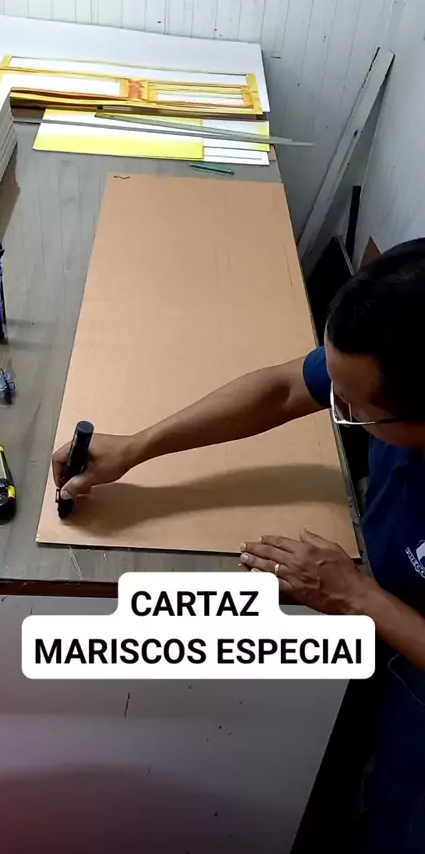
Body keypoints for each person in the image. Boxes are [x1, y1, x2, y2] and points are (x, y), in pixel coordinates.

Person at [53, 240, 425, 853]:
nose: (336, 405)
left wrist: (360, 597)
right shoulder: (396, 350)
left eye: (354, 408)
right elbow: (282, 389)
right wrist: (137, 447)